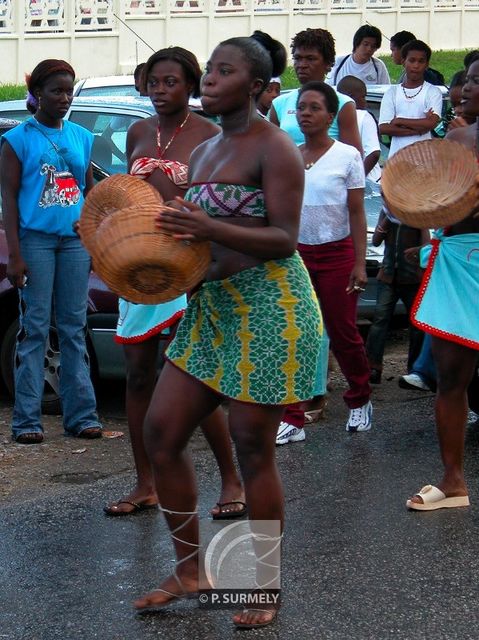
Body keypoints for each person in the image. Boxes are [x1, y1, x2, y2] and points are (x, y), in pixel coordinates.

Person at [133, 35, 323, 629]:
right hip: (213, 307)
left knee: (251, 445)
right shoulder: (210, 150)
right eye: (208, 70)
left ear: (257, 86)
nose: (207, 80)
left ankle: (262, 587)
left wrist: (207, 223)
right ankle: (191, 569)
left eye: (222, 71)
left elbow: (284, 239)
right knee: (161, 432)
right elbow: (202, 233)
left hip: (270, 308)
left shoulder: (276, 149)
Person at [103, 47, 245, 518]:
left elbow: (213, 207)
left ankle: (231, 481)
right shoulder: (139, 130)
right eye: (154, 82)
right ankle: (147, 483)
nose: (161, 91)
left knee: (194, 376)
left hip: (189, 267)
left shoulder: (210, 135)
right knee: (139, 372)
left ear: (190, 85)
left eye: (172, 82)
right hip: (140, 267)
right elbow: (129, 194)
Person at [0, 59, 102, 444]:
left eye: (69, 90)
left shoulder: (80, 135)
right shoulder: (18, 139)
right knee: (35, 330)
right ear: (37, 93)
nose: (64, 98)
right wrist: (16, 254)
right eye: (56, 90)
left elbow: (90, 192)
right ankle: (27, 422)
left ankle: (82, 416)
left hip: (75, 244)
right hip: (36, 242)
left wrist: (93, 235)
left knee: (74, 329)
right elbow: (8, 198)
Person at [405, 57, 479, 511]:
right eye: (467, 80)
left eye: (476, 82)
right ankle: (453, 482)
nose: (465, 88)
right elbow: (432, 204)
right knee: (451, 379)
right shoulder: (455, 139)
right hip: (458, 262)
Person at [289, 81, 371, 434]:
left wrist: (359, 262)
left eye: (314, 108)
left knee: (343, 332)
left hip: (338, 254)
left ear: (330, 116)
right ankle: (292, 417)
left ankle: (360, 399)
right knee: (298, 333)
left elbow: (356, 212)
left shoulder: (347, 156)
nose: (305, 114)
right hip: (298, 255)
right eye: (301, 108)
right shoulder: (290, 154)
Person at [270, 28, 362, 153]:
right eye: (297, 58)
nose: (302, 64)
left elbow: (354, 158)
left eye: (310, 58)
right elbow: (272, 152)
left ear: (328, 64)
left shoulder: (343, 104)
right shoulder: (279, 103)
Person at [365, 209, 429, 384]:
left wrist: (417, 250)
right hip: (388, 276)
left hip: (411, 279)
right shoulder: (386, 213)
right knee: (380, 320)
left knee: (416, 326)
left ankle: (415, 370)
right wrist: (387, 218)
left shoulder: (416, 213)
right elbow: (376, 241)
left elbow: (427, 244)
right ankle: (373, 367)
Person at [378, 40, 443, 159]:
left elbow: (431, 123)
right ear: (403, 62)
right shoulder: (392, 93)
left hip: (424, 160)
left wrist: (399, 121)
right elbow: (383, 127)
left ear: (427, 64)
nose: (416, 65)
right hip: (396, 161)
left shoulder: (433, 92)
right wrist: (417, 131)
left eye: (421, 61)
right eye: (412, 60)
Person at [336, 75, 381, 181]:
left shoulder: (332, 117)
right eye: (363, 97)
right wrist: (357, 180)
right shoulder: (364, 116)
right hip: (370, 181)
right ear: (351, 98)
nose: (365, 102)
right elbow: (374, 153)